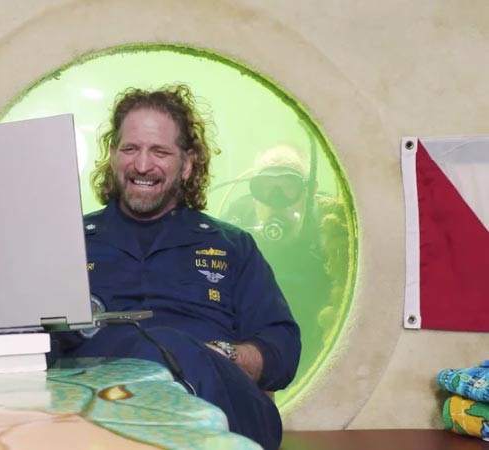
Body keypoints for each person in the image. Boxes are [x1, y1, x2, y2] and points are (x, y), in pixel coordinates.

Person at [53, 85, 301, 450]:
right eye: (130, 149)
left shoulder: (233, 246)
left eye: (160, 152)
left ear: (186, 164)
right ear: (112, 155)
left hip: (223, 403)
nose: (142, 165)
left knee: (169, 345)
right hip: (96, 406)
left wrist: (223, 355)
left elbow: (283, 352)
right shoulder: (67, 243)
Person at [219, 145, 350, 369]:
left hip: (318, 349)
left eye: (289, 187)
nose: (275, 201)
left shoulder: (331, 226)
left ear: (310, 191)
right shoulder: (236, 224)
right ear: (254, 196)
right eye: (264, 188)